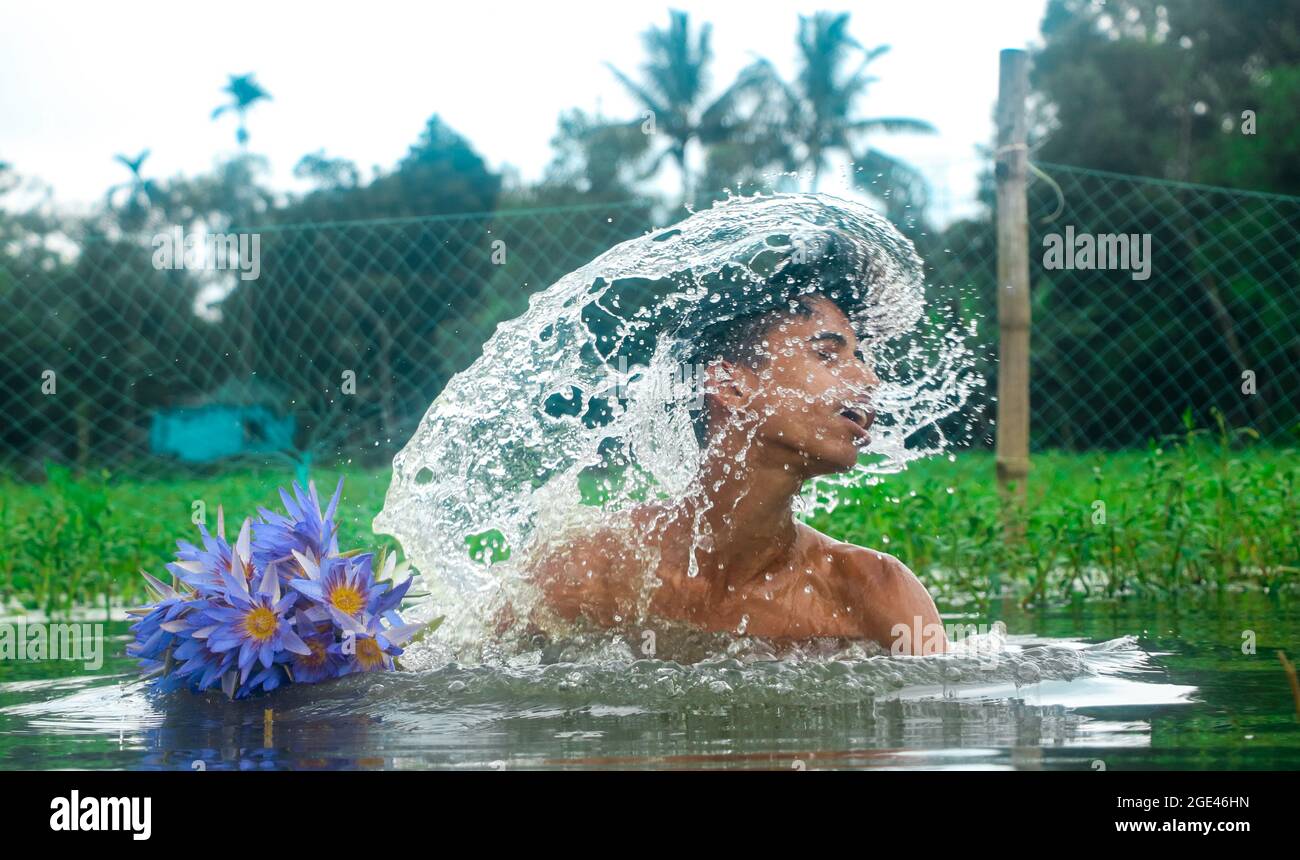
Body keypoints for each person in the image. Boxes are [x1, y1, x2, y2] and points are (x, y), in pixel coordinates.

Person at [514, 240, 947, 653]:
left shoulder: (874, 593)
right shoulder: (591, 568)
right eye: (828, 356)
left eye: (862, 360)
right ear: (730, 384)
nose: (869, 382)